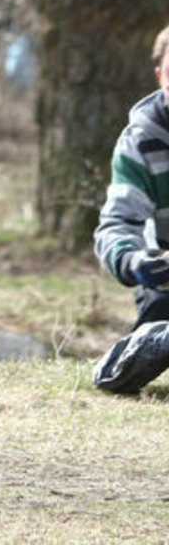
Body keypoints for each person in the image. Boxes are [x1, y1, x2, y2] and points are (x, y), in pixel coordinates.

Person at [93, 24, 169, 393]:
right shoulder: (140, 143)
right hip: (166, 285)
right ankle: (126, 361)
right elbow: (117, 226)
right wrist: (135, 262)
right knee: (152, 339)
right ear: (160, 76)